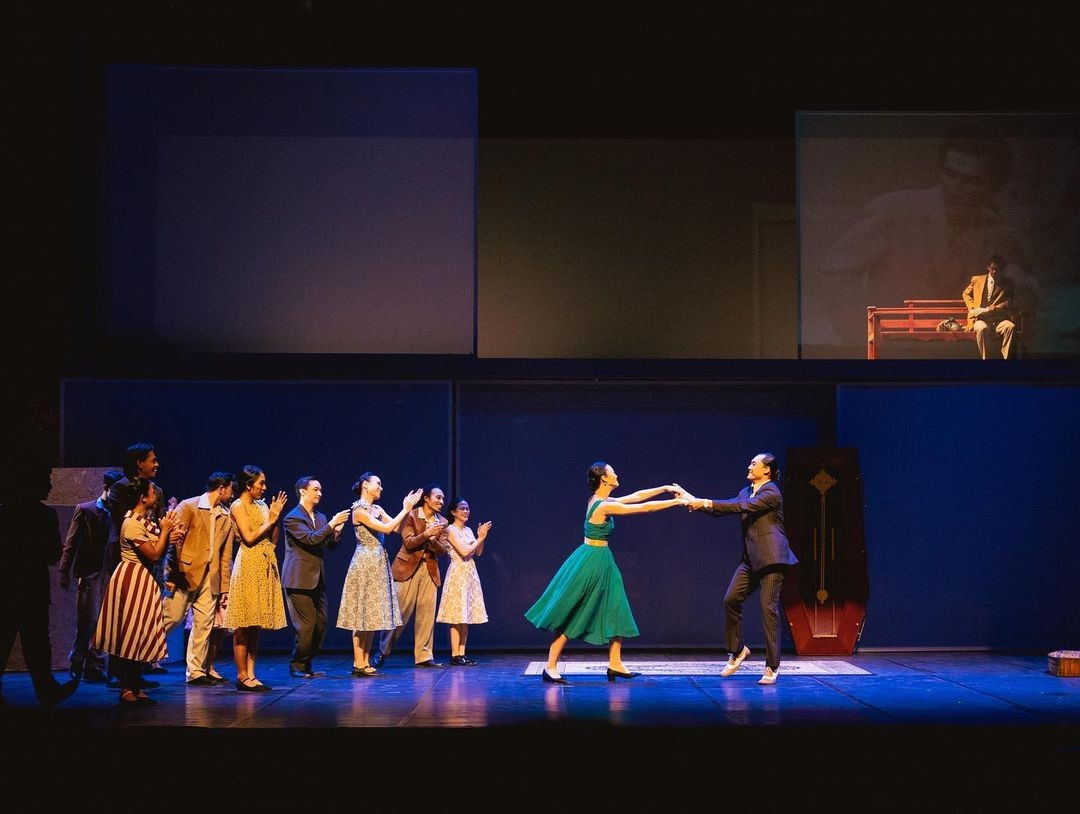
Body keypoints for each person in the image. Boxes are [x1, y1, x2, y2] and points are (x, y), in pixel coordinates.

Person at [804, 136, 1027, 354]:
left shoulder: (996, 231)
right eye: (950, 174)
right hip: (896, 353)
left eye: (972, 180)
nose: (957, 186)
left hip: (965, 358)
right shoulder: (896, 209)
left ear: (992, 185)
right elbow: (835, 273)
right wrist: (859, 337)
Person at [524, 462, 683, 683]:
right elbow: (642, 508)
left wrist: (664, 488)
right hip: (591, 562)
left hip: (603, 560)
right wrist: (677, 502)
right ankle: (550, 666)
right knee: (576, 610)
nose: (617, 474)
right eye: (613, 472)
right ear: (604, 479)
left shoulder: (603, 501)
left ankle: (615, 663)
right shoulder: (601, 506)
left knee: (616, 606)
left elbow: (636, 497)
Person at [682, 453, 798, 685]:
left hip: (772, 557)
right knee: (731, 599)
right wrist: (695, 501)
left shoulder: (771, 492)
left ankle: (771, 666)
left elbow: (741, 506)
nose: (749, 465)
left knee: (768, 609)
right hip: (751, 559)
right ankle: (737, 651)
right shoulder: (747, 491)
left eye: (754, 463)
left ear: (766, 470)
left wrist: (704, 501)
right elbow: (730, 506)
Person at [93, 478, 178, 704]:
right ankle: (126, 688)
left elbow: (158, 545)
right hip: (132, 580)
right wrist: (166, 531)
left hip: (143, 579)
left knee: (139, 634)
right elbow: (154, 554)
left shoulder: (144, 520)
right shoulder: (131, 522)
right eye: (152, 491)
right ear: (143, 497)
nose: (156, 494)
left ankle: (135, 684)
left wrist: (168, 534)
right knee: (129, 634)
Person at [0, 465, 79, 707]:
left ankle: (46, 688)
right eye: (46, 480)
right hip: (32, 588)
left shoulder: (5, 512)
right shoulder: (44, 515)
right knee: (37, 643)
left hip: (7, 586)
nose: (50, 485)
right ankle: (46, 689)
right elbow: (53, 553)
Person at [337, 473, 422, 676]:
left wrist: (407, 510)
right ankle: (358, 662)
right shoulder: (358, 510)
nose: (381, 488)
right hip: (365, 562)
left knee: (372, 613)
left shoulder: (377, 509)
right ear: (365, 485)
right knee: (361, 614)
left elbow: (397, 528)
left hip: (378, 562)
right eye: (378, 484)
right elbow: (385, 527)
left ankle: (365, 661)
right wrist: (405, 509)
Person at [162, 472, 237, 685]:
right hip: (185, 575)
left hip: (210, 577)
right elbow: (173, 542)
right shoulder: (189, 506)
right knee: (172, 617)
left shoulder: (225, 516)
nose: (232, 494)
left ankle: (195, 672)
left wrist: (224, 588)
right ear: (221, 488)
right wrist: (171, 573)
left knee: (203, 624)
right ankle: (138, 657)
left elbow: (225, 557)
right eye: (231, 489)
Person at [372, 483, 450, 669]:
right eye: (437, 497)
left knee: (426, 616)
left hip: (429, 570)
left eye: (442, 498)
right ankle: (382, 650)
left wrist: (432, 539)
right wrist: (427, 534)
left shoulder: (443, 522)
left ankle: (424, 656)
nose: (441, 501)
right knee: (399, 614)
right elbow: (408, 543)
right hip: (406, 568)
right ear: (426, 498)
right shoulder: (412, 515)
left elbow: (443, 549)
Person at [224, 465, 288, 692]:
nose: (264, 487)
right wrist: (269, 520)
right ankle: (242, 675)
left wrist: (275, 518)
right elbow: (249, 537)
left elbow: (273, 540)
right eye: (261, 483)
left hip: (264, 564)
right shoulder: (238, 506)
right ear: (248, 485)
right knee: (244, 623)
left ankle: (252, 673)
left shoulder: (261, 506)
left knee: (256, 623)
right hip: (248, 563)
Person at [281, 475, 349, 679]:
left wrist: (336, 531)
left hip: (317, 579)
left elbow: (329, 545)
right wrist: (331, 525)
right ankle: (297, 665)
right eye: (315, 489)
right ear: (303, 491)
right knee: (306, 625)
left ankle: (306, 663)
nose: (320, 493)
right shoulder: (292, 517)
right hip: (298, 579)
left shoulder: (320, 517)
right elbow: (310, 539)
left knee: (320, 624)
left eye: (320, 490)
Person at [58, 469, 122, 682]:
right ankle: (77, 659)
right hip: (91, 572)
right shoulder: (86, 509)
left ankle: (95, 665)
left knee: (105, 621)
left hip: (110, 571)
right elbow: (71, 542)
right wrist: (64, 571)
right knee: (89, 619)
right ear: (106, 487)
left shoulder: (118, 513)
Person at [436, 497, 492, 666]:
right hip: (458, 573)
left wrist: (482, 537)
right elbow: (464, 551)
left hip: (470, 573)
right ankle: (455, 654)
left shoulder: (468, 530)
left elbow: (478, 552)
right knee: (456, 615)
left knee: (465, 615)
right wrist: (480, 537)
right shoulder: (450, 530)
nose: (466, 511)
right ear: (453, 512)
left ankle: (462, 652)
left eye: (467, 508)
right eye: (462, 508)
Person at [963, 254, 1016, 359]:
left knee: (1010, 327)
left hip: (1000, 319)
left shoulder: (1008, 283)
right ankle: (985, 360)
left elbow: (1008, 302)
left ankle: (1007, 361)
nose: (995, 272)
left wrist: (988, 309)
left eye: (998, 269)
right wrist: (972, 308)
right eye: (993, 268)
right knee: (981, 329)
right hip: (981, 319)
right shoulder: (977, 279)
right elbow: (966, 293)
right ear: (988, 267)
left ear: (1002, 269)